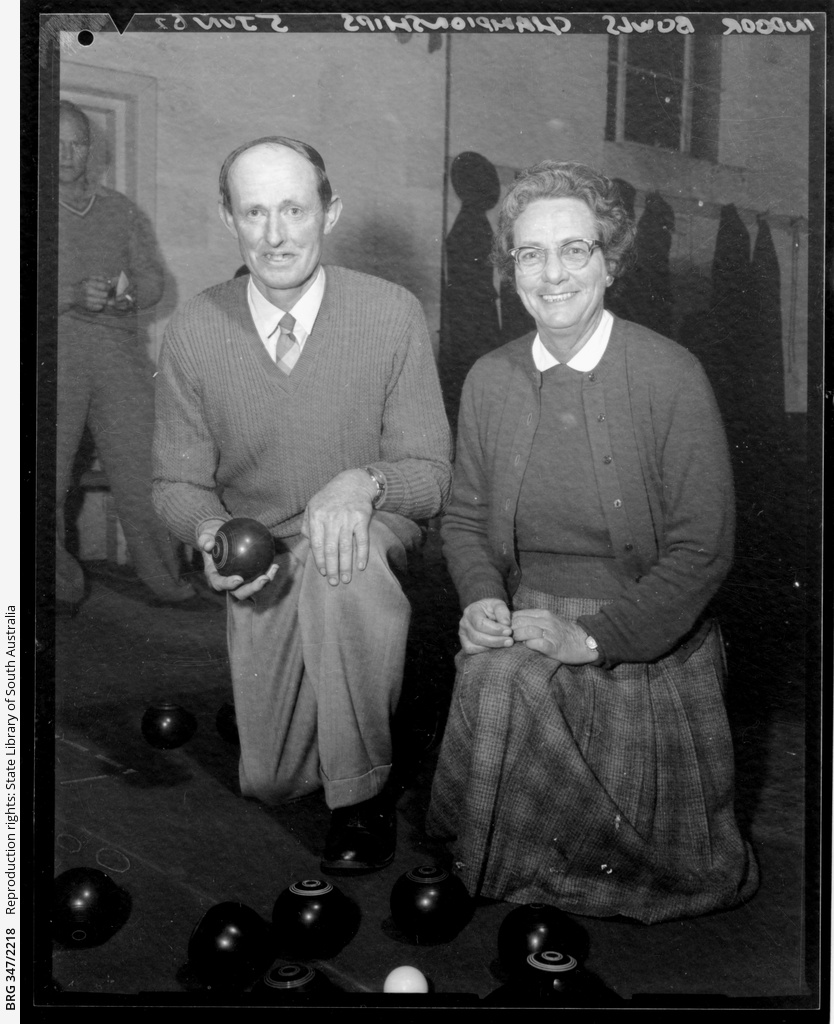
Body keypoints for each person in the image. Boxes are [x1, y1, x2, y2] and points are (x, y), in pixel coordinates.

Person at [426, 161, 759, 923]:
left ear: (610, 262)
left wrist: (592, 638)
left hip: (645, 629)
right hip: (526, 609)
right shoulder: (488, 378)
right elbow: (468, 521)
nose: (552, 273)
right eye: (530, 254)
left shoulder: (671, 374)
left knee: (514, 685)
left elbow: (703, 548)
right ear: (510, 271)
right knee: (496, 673)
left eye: (574, 250)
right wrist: (481, 598)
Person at [152, 136, 452, 873]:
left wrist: (365, 484)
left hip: (364, 531)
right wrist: (213, 531)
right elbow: (173, 485)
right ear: (229, 219)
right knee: (274, 781)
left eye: (294, 208)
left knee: (341, 559)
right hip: (266, 552)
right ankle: (323, 710)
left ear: (330, 212)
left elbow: (432, 473)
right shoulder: (195, 329)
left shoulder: (391, 313)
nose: (276, 233)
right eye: (255, 211)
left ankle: (363, 798)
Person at [56, 100, 200, 611]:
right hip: (53, 359)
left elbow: (153, 279)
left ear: (90, 149)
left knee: (146, 474)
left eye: (77, 143)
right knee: (40, 480)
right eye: (57, 141)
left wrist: (128, 296)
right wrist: (69, 293)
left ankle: (167, 582)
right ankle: (55, 589)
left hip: (119, 357)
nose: (68, 153)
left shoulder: (119, 210)